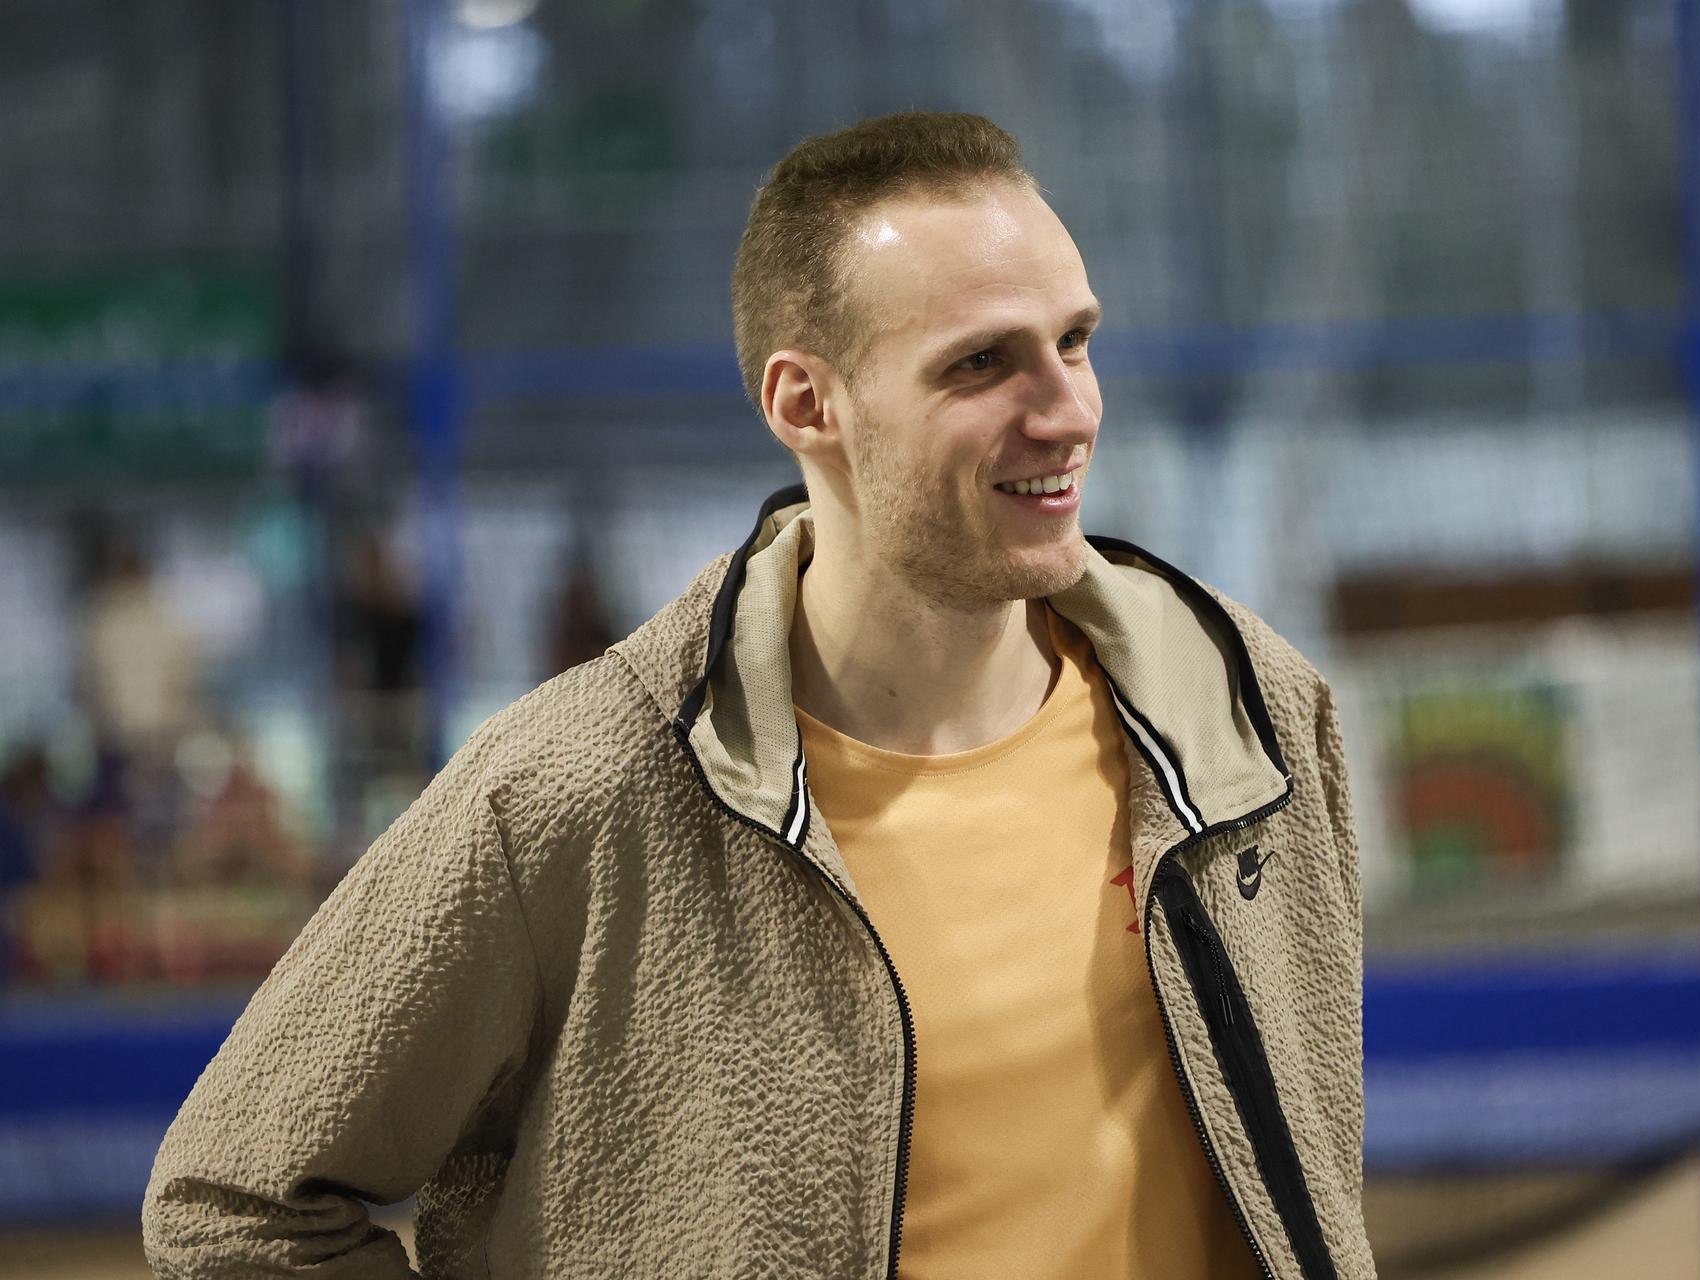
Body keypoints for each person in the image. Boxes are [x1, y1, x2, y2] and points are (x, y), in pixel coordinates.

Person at [145, 112, 1373, 1279]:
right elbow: (234, 1199)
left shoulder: (1249, 716)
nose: (1067, 409)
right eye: (983, 362)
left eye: (1076, 338)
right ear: (807, 404)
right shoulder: (579, 793)